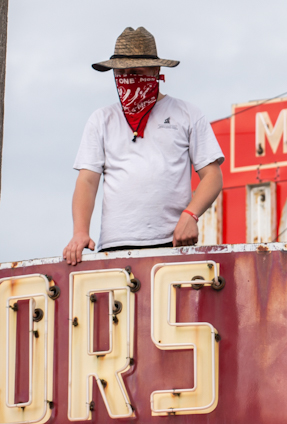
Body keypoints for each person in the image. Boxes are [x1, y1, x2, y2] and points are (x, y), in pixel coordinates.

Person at [64, 27, 223, 264]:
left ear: (156, 71)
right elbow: (87, 180)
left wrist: (191, 215)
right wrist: (79, 231)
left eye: (137, 72)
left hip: (173, 243)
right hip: (114, 246)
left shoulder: (187, 114)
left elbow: (212, 176)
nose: (129, 78)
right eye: (122, 73)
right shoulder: (101, 119)